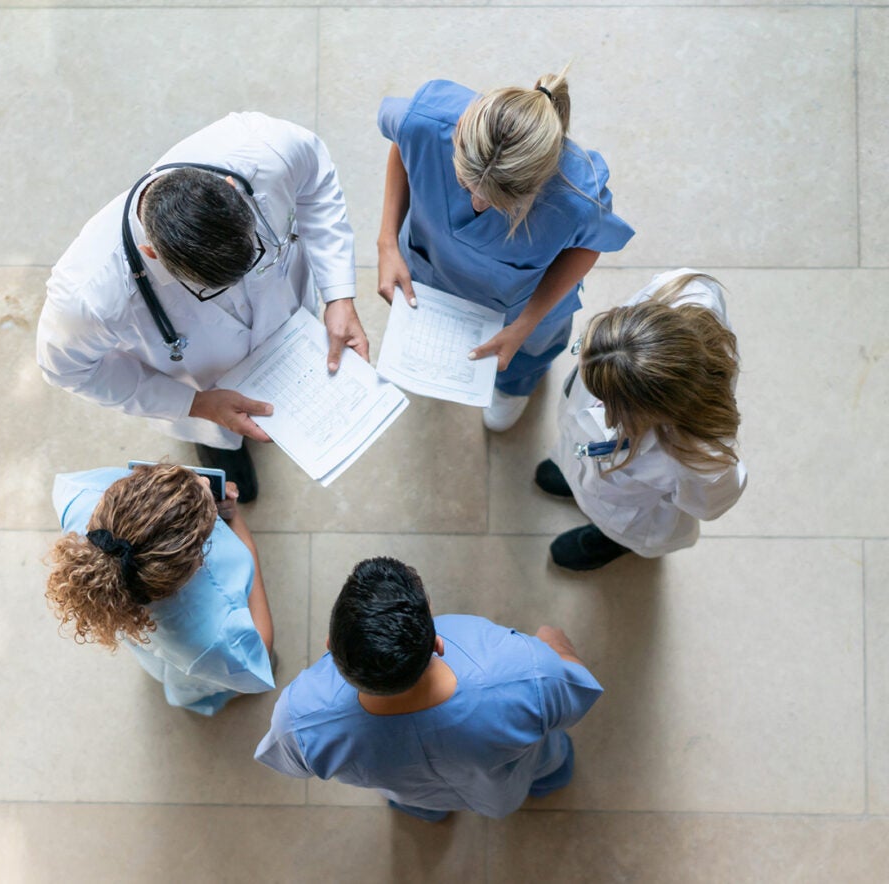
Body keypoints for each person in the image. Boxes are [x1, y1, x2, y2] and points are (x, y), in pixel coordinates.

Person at [37, 113, 370, 501]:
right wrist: (195, 403)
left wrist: (339, 293)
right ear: (151, 254)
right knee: (222, 449)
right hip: (203, 386)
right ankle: (223, 453)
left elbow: (317, 180)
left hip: (290, 325)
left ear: (233, 189)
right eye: (210, 289)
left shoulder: (264, 149)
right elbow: (66, 369)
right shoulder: (87, 296)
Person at [375, 70, 635, 432]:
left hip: (524, 307)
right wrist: (387, 243)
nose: (478, 204)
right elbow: (404, 145)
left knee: (524, 357)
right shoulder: (426, 121)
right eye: (466, 183)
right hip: (430, 263)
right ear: (457, 134)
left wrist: (525, 326)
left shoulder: (577, 198)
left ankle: (513, 388)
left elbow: (590, 245)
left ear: (541, 184)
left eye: (499, 201)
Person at [254, 557, 602, 820]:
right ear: (437, 643)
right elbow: (577, 695)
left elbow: (288, 762)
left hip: (414, 793)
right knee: (548, 767)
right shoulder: (528, 674)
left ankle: (431, 815)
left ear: (330, 645)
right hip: (501, 789)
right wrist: (555, 645)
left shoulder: (299, 719)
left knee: (420, 804)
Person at [536, 269, 747, 571]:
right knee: (579, 456)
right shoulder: (683, 291)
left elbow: (708, 505)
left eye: (603, 401)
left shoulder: (701, 460)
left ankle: (611, 541)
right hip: (589, 452)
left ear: (641, 411)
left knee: (620, 523)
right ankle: (576, 477)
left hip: (627, 512)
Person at [48, 463, 275, 715]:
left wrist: (175, 491)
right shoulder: (212, 637)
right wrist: (238, 528)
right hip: (193, 659)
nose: (206, 482)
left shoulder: (81, 495)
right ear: (195, 565)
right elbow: (259, 653)